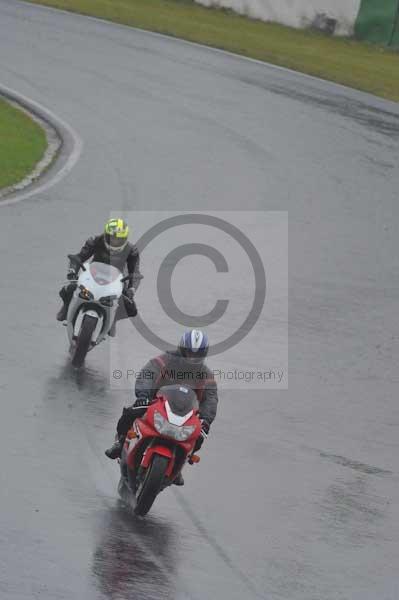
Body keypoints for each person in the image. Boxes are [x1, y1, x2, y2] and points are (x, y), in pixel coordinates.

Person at [105, 329, 218, 485]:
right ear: (182, 349)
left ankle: (180, 464)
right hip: (155, 402)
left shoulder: (206, 375)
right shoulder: (165, 360)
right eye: (190, 353)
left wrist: (206, 420)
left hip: (186, 413)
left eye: (197, 355)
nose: (193, 358)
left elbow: (211, 399)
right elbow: (147, 374)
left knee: (199, 435)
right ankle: (120, 442)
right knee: (130, 413)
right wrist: (143, 396)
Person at [56, 218, 142, 335]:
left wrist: (132, 288)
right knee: (68, 288)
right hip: (93, 273)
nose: (115, 241)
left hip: (116, 279)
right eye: (112, 238)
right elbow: (80, 257)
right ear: (106, 235)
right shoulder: (95, 241)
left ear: (125, 239)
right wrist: (72, 271)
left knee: (131, 308)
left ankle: (113, 319)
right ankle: (66, 308)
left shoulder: (132, 250)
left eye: (118, 239)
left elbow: (135, 271)